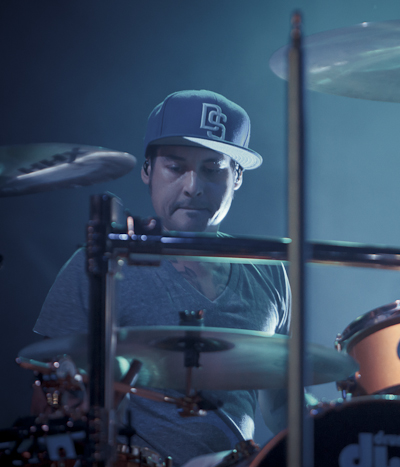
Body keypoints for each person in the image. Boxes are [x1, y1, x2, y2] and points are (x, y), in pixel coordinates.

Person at [33, 90, 291, 466]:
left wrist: (342, 416)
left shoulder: (268, 269)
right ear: (147, 170)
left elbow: (280, 404)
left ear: (237, 176)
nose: (193, 186)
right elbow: (45, 401)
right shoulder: (100, 261)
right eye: (175, 166)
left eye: (212, 168)